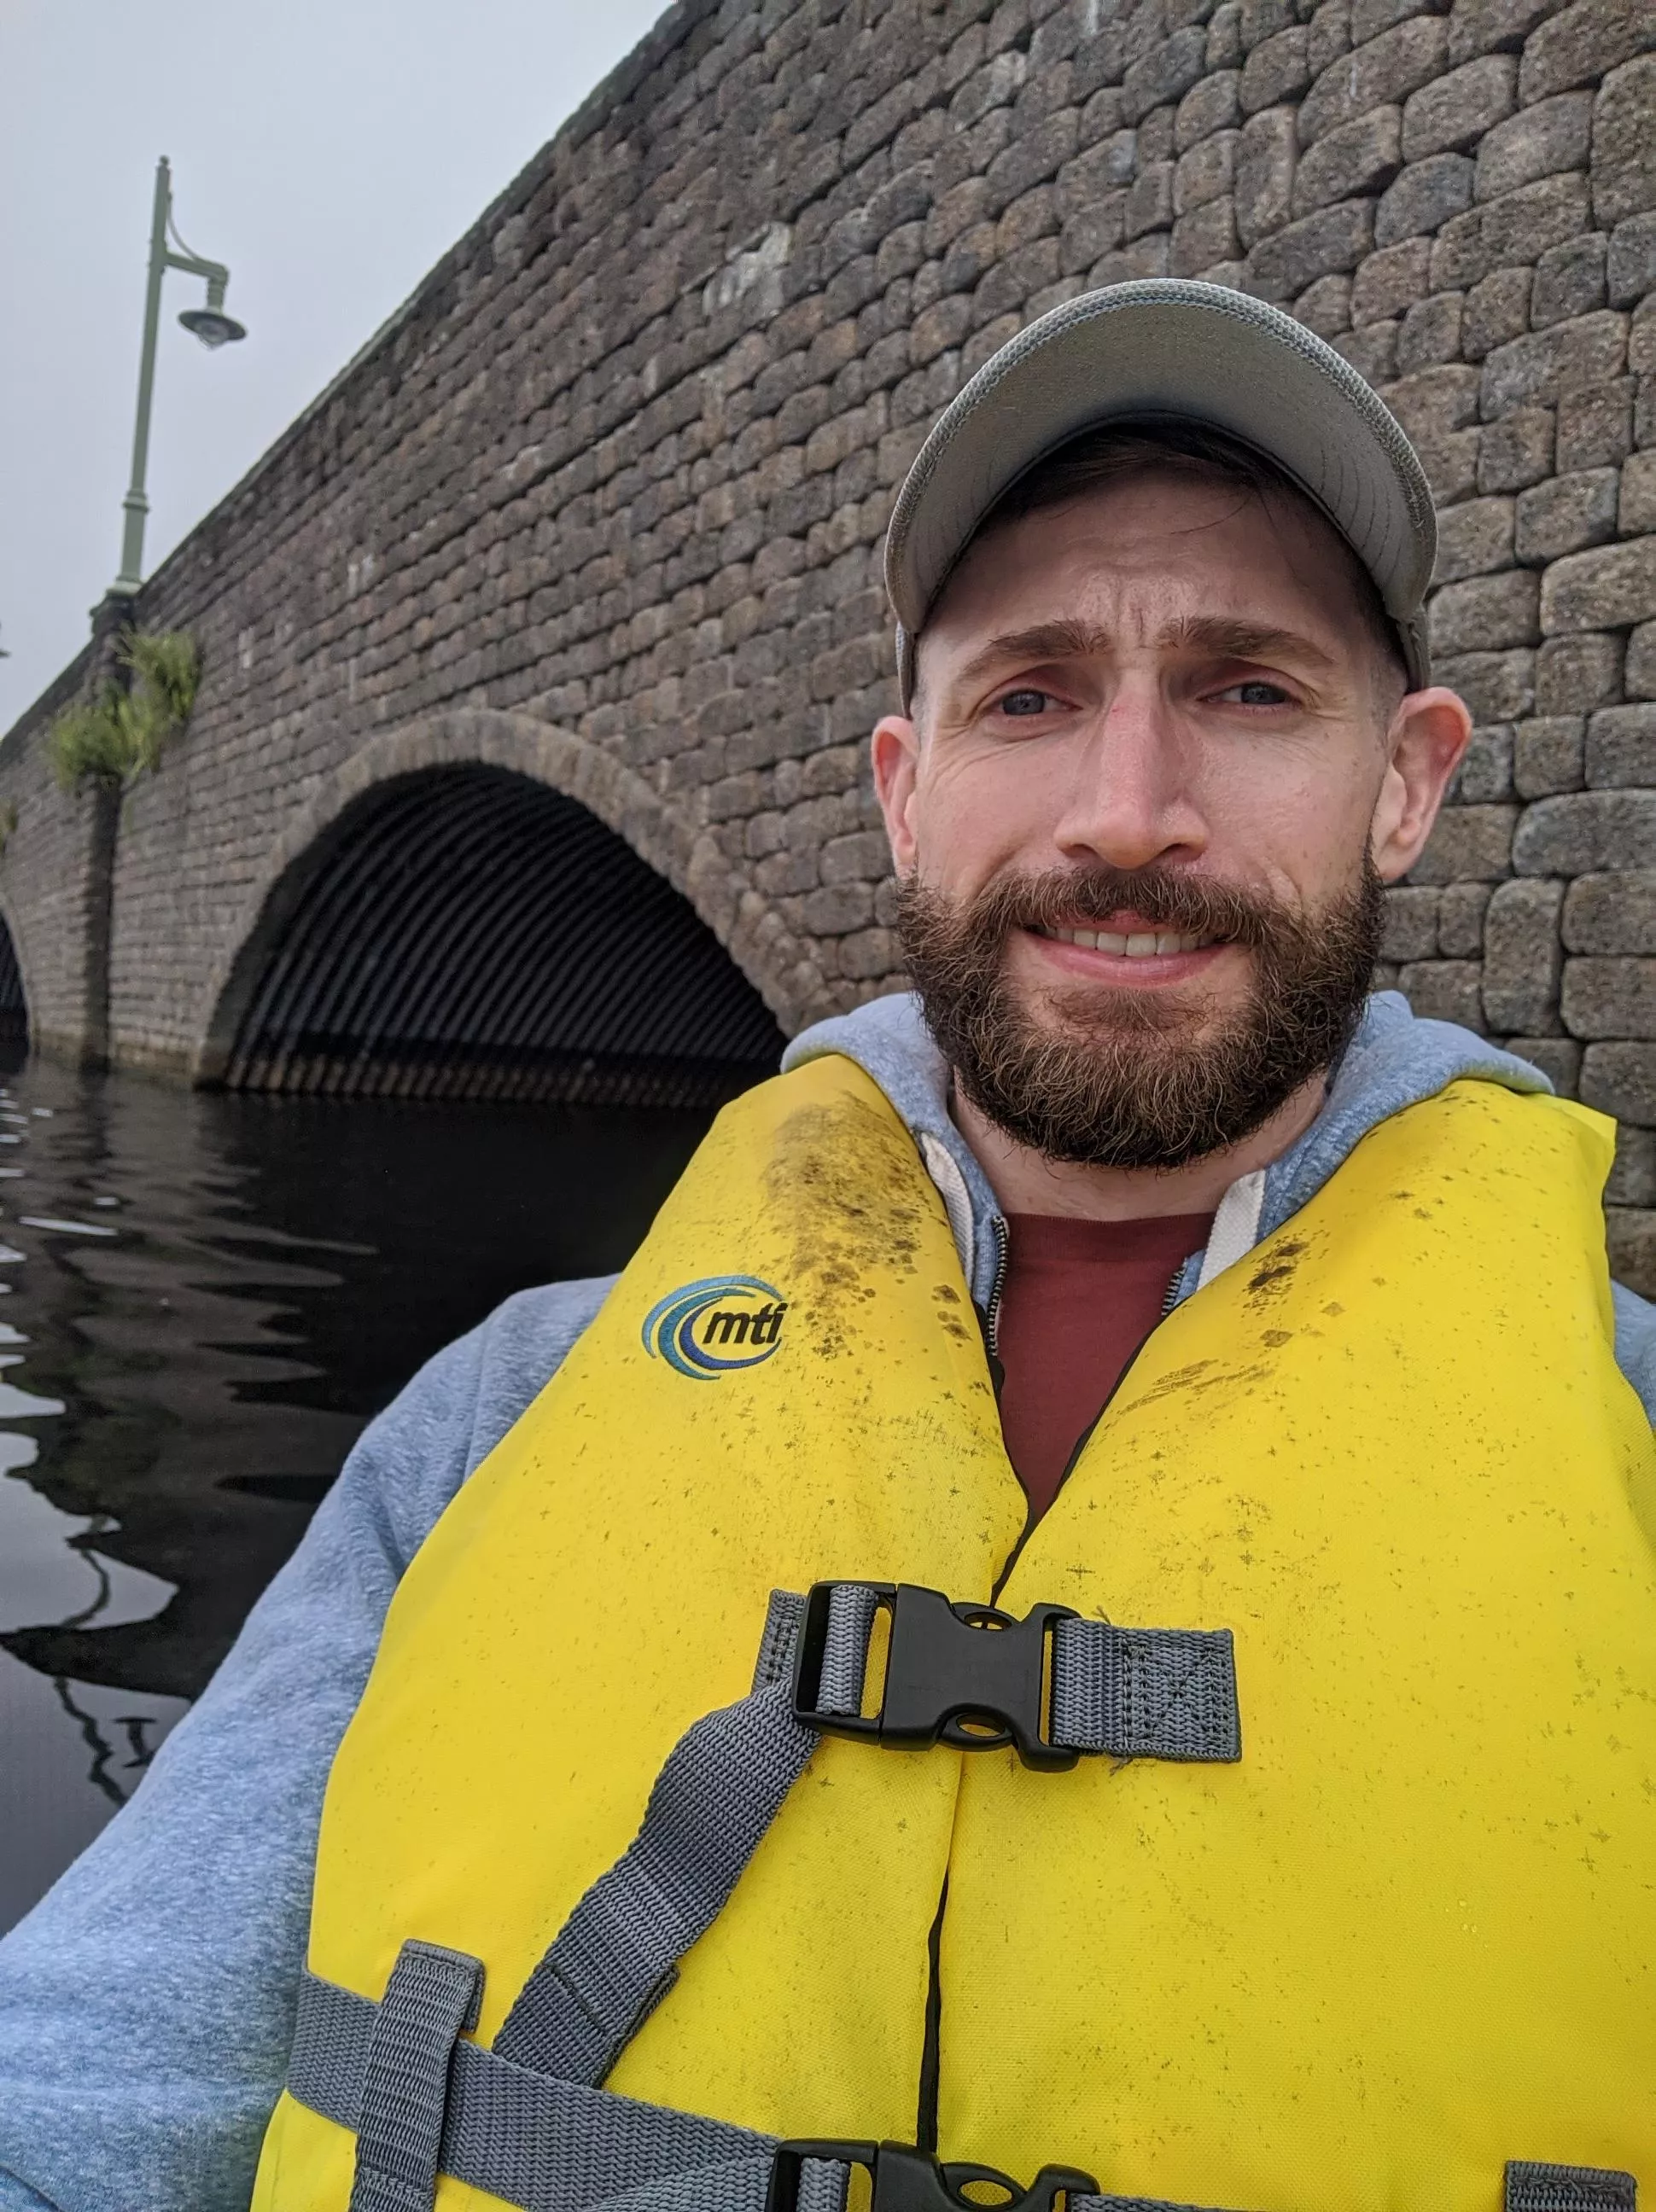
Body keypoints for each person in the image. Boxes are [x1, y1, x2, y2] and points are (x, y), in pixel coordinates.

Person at [2, 279, 1653, 2212]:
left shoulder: (1618, 1433)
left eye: (1249, 690)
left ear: (1407, 781)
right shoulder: (499, 1409)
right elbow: (87, 2085)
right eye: (1029, 696)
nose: (1128, 815)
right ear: (903, 793)